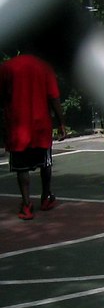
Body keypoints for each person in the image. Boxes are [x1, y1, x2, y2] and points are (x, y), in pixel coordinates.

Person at [0, 52, 66, 220]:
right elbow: (54, 97)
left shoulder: (8, 67)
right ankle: (45, 197)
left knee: (21, 168)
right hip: (40, 125)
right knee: (45, 163)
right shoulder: (44, 67)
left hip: (18, 125)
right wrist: (61, 123)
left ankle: (26, 203)